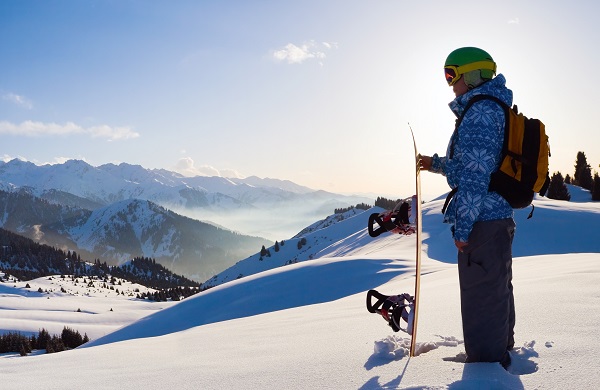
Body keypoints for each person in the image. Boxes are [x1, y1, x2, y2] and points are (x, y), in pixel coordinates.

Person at [419, 47, 515, 370]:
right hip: (495, 217)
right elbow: (467, 166)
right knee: (496, 285)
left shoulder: (481, 113)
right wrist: (433, 163)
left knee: (482, 294)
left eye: (452, 75)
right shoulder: (488, 108)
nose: (449, 84)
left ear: (472, 75)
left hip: (483, 222)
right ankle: (501, 349)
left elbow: (474, 177)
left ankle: (488, 368)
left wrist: (463, 230)